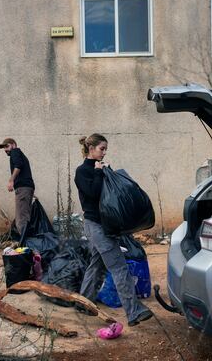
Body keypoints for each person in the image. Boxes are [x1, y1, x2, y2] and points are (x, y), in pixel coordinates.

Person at [74, 133, 153, 326]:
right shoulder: (82, 171)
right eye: (101, 149)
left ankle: (84, 302)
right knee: (119, 267)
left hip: (103, 226)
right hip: (97, 226)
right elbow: (92, 193)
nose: (104, 152)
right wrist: (100, 172)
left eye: (105, 149)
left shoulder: (99, 168)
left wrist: (106, 172)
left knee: (97, 263)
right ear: (91, 149)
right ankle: (133, 312)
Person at [0, 138, 35, 237]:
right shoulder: (20, 155)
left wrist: (11, 180)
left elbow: (18, 165)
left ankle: (25, 244)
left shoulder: (15, 152)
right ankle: (28, 243)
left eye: (7, 146)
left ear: (13, 145)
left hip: (23, 189)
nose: (5, 149)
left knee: (21, 219)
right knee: (25, 217)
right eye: (4, 148)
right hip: (26, 188)